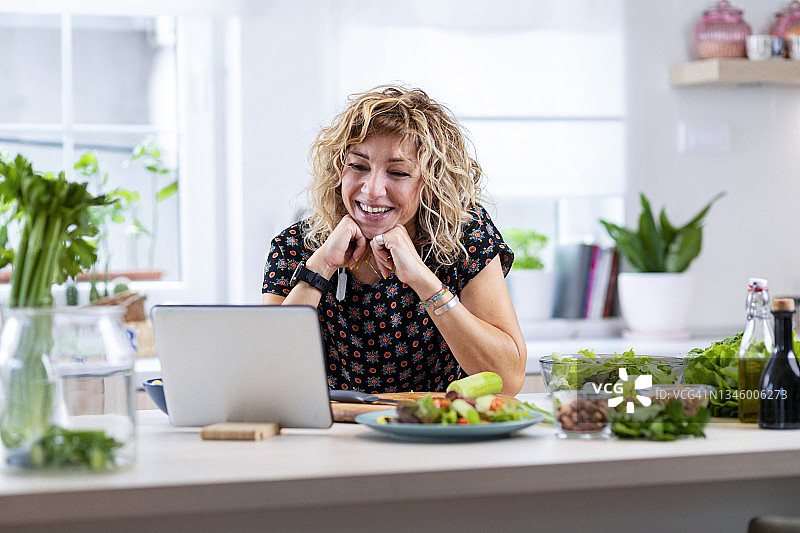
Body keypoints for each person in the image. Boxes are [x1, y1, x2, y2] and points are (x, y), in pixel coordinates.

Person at [262, 85, 527, 395]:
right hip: (334, 434)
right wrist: (320, 267)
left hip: (434, 430)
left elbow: (508, 379)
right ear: (338, 171)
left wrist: (423, 280)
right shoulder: (296, 245)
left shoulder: (462, 234)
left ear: (431, 182)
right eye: (358, 166)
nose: (372, 190)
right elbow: (266, 373)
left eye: (398, 173)